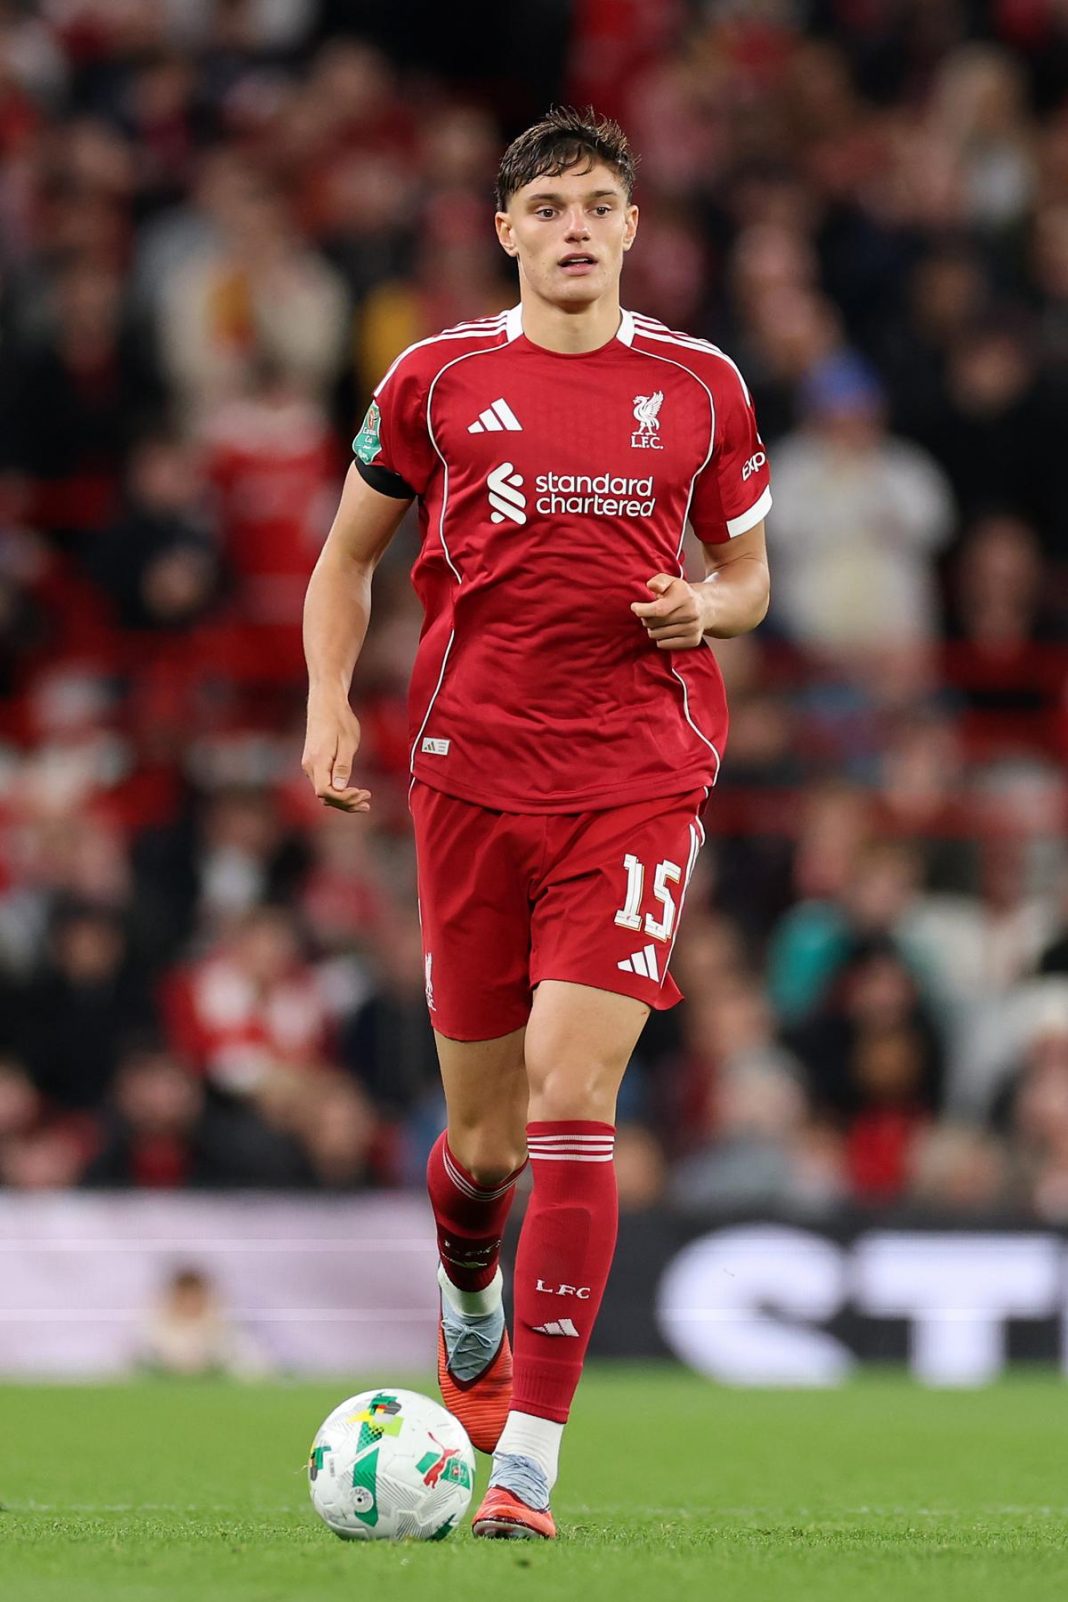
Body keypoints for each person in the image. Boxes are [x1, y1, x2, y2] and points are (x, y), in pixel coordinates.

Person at [301, 107, 772, 1539]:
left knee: (577, 1093)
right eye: (549, 207)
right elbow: (345, 560)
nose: (576, 228)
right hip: (468, 777)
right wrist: (327, 702)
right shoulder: (436, 378)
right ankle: (468, 1278)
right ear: (505, 230)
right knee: (486, 1144)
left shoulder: (700, 384)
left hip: (637, 776)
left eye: (599, 205)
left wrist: (706, 607)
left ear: (633, 228)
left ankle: (526, 1466)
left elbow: (751, 577)